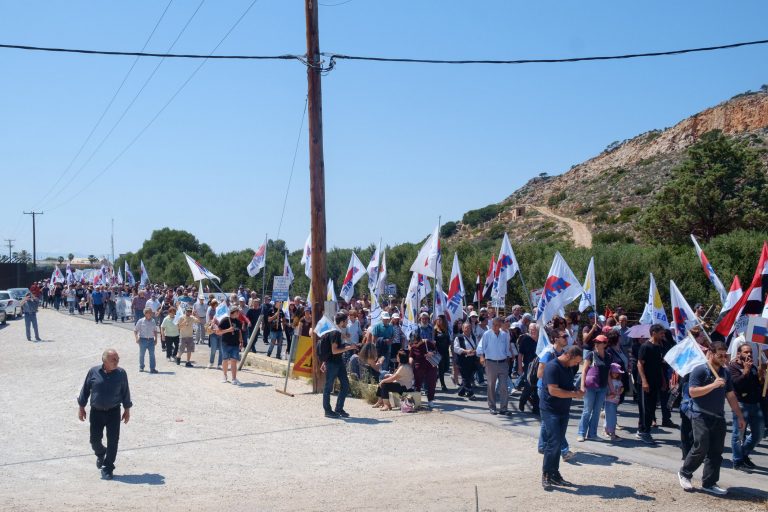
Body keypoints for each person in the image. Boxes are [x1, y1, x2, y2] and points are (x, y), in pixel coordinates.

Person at [678, 341, 746, 495]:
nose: (723, 358)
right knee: (701, 446)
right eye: (719, 355)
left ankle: (709, 482)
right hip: (700, 414)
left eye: (725, 355)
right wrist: (713, 385)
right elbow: (693, 392)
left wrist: (739, 416)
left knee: (716, 451)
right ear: (711, 353)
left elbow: (730, 396)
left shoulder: (725, 373)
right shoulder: (700, 370)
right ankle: (685, 473)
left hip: (718, 416)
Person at [77, 349, 132, 480]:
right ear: (104, 360)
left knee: (113, 441)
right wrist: (81, 407)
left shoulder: (121, 373)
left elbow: (125, 391)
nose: (117, 361)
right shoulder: (93, 372)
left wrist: (127, 409)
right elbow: (85, 390)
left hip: (114, 412)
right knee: (94, 440)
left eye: (118, 359)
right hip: (96, 412)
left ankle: (108, 467)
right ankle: (101, 453)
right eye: (113, 359)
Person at [540, 346, 584, 489]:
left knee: (558, 443)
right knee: (553, 441)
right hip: (550, 409)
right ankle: (546, 474)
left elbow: (567, 386)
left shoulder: (568, 368)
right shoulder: (552, 367)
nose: (576, 365)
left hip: (563, 410)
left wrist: (576, 390)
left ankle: (555, 473)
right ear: (568, 356)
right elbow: (553, 391)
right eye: (576, 361)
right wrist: (574, 394)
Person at [536, 329, 575, 461]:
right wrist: (553, 377)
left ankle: (542, 446)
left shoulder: (562, 353)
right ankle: (564, 450)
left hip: (555, 390)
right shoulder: (548, 353)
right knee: (553, 422)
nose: (566, 338)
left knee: (547, 422)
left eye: (567, 336)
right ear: (555, 338)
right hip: (545, 390)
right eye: (564, 336)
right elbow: (539, 374)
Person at [728, 341, 765, 471]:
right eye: (746, 352)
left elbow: (756, 386)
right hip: (741, 404)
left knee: (759, 433)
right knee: (738, 434)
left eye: (750, 352)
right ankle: (737, 460)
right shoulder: (733, 367)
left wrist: (761, 378)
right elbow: (736, 384)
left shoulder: (753, 367)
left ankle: (743, 453)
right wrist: (745, 372)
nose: (749, 354)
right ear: (739, 353)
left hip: (755, 404)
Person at [321, 311, 357, 418]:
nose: (347, 323)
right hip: (333, 363)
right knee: (328, 387)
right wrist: (350, 347)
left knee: (345, 385)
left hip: (338, 362)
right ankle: (328, 410)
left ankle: (339, 408)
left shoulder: (337, 331)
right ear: (342, 322)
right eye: (346, 321)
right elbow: (334, 350)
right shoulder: (335, 333)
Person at [577, 334, 612, 441]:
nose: (596, 344)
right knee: (587, 410)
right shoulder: (590, 355)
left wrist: (611, 388)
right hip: (590, 387)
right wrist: (582, 386)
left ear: (605, 344)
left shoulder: (608, 356)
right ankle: (581, 433)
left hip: (602, 387)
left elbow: (608, 374)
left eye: (599, 342)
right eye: (595, 342)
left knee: (596, 412)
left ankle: (592, 434)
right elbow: (584, 371)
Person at [636, 324, 665, 444]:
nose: (663, 335)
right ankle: (643, 432)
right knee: (645, 408)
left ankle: (643, 429)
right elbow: (640, 364)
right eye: (661, 333)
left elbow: (660, 366)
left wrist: (663, 380)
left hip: (656, 382)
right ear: (653, 333)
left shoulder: (659, 347)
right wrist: (644, 381)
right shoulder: (645, 346)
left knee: (652, 408)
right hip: (645, 384)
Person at [477, 316, 512, 416]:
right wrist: (481, 357)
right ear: (492, 325)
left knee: (504, 386)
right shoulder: (487, 334)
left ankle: (503, 408)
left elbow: (507, 349)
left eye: (498, 325)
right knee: (491, 385)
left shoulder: (504, 335)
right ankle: (492, 407)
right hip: (491, 363)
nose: (496, 327)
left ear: (501, 325)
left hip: (503, 363)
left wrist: (508, 359)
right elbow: (481, 348)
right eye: (494, 325)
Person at [409, 330, 439, 409]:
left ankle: (430, 400)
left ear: (420, 340)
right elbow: (411, 356)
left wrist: (431, 353)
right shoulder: (413, 347)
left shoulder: (428, 343)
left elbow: (436, 351)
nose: (415, 344)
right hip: (419, 367)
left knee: (431, 383)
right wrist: (409, 364)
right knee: (417, 384)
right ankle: (417, 401)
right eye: (414, 342)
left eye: (416, 342)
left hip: (431, 366)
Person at [215, 306, 244, 385]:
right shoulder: (225, 320)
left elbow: (239, 332)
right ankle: (224, 376)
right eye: (237, 312)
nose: (238, 313)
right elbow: (218, 332)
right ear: (232, 312)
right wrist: (228, 330)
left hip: (235, 344)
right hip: (226, 343)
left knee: (234, 361)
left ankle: (234, 378)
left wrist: (241, 341)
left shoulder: (238, 322)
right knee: (225, 360)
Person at [453, 322, 478, 399]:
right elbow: (456, 349)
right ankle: (470, 393)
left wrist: (475, 351)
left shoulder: (473, 337)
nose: (467, 329)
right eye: (466, 328)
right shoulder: (458, 337)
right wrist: (466, 351)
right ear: (463, 329)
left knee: (469, 377)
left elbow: (477, 346)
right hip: (462, 360)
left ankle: (461, 391)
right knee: (465, 377)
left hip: (472, 360)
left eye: (469, 328)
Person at [134, 308, 159, 373]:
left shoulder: (153, 321)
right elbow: (135, 330)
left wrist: (156, 339)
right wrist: (136, 338)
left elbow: (155, 331)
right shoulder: (140, 321)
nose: (150, 314)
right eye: (148, 313)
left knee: (152, 355)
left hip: (151, 340)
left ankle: (152, 368)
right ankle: (141, 367)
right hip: (142, 340)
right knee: (142, 354)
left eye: (150, 312)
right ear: (145, 313)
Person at [604, 363, 625, 441]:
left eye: (617, 373)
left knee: (610, 417)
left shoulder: (618, 381)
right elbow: (605, 391)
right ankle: (612, 433)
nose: (615, 374)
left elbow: (622, 388)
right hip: (609, 400)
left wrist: (621, 390)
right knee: (611, 417)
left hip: (615, 401)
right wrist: (608, 395)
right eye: (614, 372)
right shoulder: (608, 381)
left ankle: (607, 431)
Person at [434, 316, 452, 391]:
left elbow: (448, 340)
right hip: (438, 352)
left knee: (446, 367)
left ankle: (436, 377)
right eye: (438, 320)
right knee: (441, 368)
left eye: (441, 320)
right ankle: (443, 384)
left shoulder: (445, 329)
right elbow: (433, 341)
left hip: (446, 351)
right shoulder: (434, 330)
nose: (439, 321)